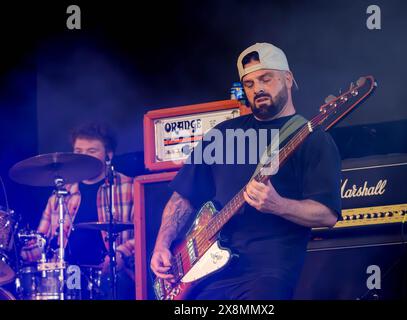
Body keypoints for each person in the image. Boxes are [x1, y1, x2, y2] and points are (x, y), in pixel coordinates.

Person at [150, 42, 342, 300]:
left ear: (287, 79)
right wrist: (162, 244)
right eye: (249, 84)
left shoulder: (311, 138)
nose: (258, 89)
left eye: (266, 79)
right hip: (205, 275)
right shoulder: (222, 135)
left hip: (265, 275)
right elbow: (183, 197)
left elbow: (327, 215)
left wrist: (279, 205)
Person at [20, 122, 135, 300]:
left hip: (115, 276)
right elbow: (41, 241)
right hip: (67, 279)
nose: (84, 157)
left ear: (108, 155)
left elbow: (145, 236)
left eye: (91, 151)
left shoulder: (130, 187)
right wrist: (14, 249)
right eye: (79, 152)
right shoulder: (60, 194)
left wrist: (120, 254)